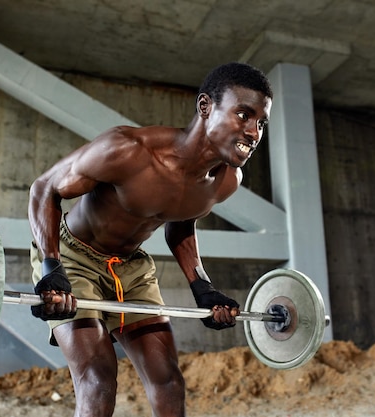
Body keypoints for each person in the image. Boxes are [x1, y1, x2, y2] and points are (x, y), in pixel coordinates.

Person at [28, 62, 273, 417]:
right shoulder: (130, 150)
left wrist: (202, 286)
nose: (253, 131)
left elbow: (180, 222)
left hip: (132, 268)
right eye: (243, 114)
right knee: (98, 377)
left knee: (168, 380)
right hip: (72, 257)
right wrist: (51, 267)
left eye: (261, 122)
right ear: (205, 107)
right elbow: (45, 190)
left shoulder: (226, 180)